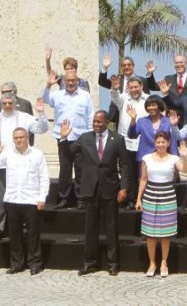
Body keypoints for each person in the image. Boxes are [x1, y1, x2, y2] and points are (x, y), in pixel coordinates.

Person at [60, 111, 130, 276]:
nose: (96, 124)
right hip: (89, 188)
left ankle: (113, 263)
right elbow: (69, 152)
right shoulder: (85, 138)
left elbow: (125, 165)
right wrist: (63, 139)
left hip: (110, 188)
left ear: (107, 122)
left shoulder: (117, 139)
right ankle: (90, 262)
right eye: (94, 122)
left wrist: (124, 187)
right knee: (90, 228)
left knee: (111, 227)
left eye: (99, 122)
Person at [0, 93, 48, 239]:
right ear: (1, 104)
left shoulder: (25, 117)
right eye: (4, 103)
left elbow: (42, 129)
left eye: (10, 103)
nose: (7, 106)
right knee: (2, 198)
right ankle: (1, 229)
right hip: (1, 163)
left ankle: (25, 228)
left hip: (22, 161)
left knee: (23, 196)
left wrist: (41, 113)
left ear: (15, 104)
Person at [0, 128, 49, 276]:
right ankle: (17, 264)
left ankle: (35, 263)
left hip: (31, 200)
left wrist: (42, 197)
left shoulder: (37, 154)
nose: (18, 140)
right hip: (12, 200)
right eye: (16, 138)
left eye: (21, 137)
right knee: (14, 234)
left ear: (27, 137)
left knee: (33, 234)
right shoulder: (8, 154)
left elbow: (44, 177)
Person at [135, 132, 187, 277]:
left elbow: (185, 170)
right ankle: (152, 262)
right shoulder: (146, 158)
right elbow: (144, 179)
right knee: (150, 234)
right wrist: (138, 198)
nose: (160, 144)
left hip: (168, 195)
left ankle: (164, 262)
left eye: (163, 142)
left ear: (168, 143)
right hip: (150, 195)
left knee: (165, 233)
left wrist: (184, 156)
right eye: (158, 142)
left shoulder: (174, 158)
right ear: (154, 143)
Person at [43, 70, 94, 210]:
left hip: (81, 138)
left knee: (80, 170)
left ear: (78, 81)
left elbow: (90, 116)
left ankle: (80, 199)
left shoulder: (85, 96)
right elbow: (45, 99)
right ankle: (64, 198)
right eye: (68, 81)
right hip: (63, 138)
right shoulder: (58, 95)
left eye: (73, 80)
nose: (70, 83)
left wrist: (90, 137)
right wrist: (48, 84)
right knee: (65, 170)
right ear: (64, 82)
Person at [110, 75, 149, 210]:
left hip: (143, 142)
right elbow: (115, 98)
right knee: (129, 172)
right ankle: (131, 199)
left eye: (136, 87)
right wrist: (114, 89)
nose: (133, 90)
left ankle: (142, 198)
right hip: (126, 141)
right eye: (131, 87)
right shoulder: (124, 98)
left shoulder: (148, 99)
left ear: (141, 86)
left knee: (142, 172)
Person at [98, 54, 154, 127]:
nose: (126, 67)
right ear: (121, 67)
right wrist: (105, 67)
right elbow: (102, 82)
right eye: (124, 65)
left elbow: (147, 99)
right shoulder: (116, 80)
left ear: (133, 66)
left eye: (129, 65)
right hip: (119, 115)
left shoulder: (142, 80)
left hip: (139, 114)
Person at [0, 82, 35, 146]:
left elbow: (31, 127)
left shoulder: (25, 103)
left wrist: (30, 143)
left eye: (8, 91)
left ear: (15, 91)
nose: (5, 94)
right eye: (3, 92)